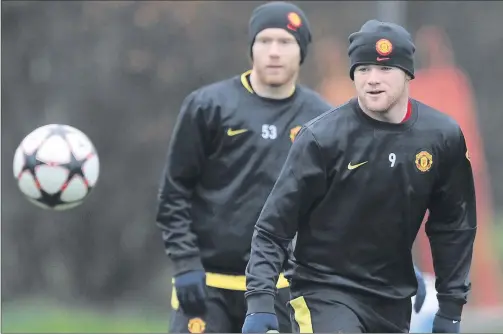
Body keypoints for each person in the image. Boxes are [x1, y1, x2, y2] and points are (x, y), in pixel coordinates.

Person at [242, 19, 476, 333]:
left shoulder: (441, 137)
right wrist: (259, 299)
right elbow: (273, 228)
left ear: (407, 73)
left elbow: (454, 227)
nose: (372, 80)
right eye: (363, 69)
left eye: (385, 69)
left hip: (392, 299)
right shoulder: (321, 139)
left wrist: (450, 308)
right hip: (322, 290)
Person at [155, 2, 333, 333]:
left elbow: (346, 205)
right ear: (251, 48)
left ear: (302, 51)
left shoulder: (323, 119)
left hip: (281, 290)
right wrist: (185, 264)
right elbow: (174, 194)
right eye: (264, 41)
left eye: (285, 42)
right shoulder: (208, 106)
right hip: (207, 286)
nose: (274, 52)